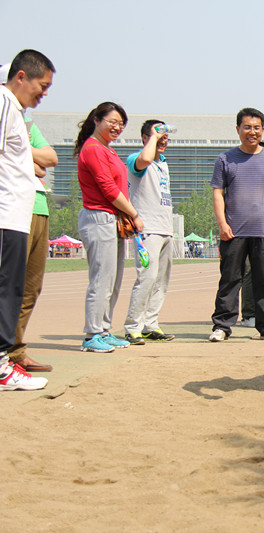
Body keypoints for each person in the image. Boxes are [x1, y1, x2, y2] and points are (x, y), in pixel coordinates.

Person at [209, 108, 264, 343]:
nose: (251, 132)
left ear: (263, 130)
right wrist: (222, 223)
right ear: (237, 129)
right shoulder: (225, 159)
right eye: (246, 127)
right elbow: (217, 194)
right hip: (233, 232)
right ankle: (222, 326)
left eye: (256, 127)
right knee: (229, 279)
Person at [0, 49, 54, 390]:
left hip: (18, 214)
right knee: (7, 290)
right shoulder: (4, 102)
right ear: (21, 76)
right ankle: (3, 367)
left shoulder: (14, 111)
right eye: (42, 85)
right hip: (6, 214)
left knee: (13, 288)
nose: (44, 93)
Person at [75, 102, 139, 353]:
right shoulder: (92, 149)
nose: (117, 127)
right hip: (98, 217)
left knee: (113, 280)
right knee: (101, 279)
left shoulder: (108, 150)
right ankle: (92, 335)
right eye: (112, 121)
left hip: (113, 220)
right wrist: (135, 214)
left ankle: (103, 329)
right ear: (96, 120)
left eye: (121, 124)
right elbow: (108, 189)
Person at [122, 120, 176, 344]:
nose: (163, 141)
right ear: (145, 138)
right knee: (147, 277)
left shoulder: (163, 163)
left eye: (166, 138)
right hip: (148, 229)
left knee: (161, 281)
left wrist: (158, 137)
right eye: (157, 136)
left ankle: (150, 324)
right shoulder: (136, 159)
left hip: (165, 228)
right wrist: (154, 137)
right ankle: (132, 326)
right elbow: (144, 159)